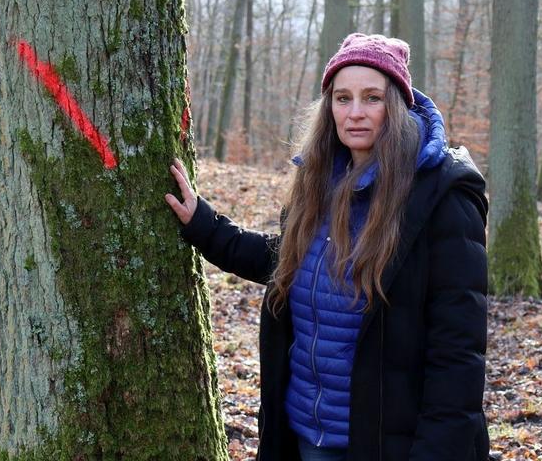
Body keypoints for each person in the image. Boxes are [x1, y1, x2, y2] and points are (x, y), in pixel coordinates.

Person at [166, 33, 490, 461]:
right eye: (342, 98)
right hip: (306, 437)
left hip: (385, 446)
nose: (355, 113)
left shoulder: (440, 200)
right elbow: (287, 262)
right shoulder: (320, 184)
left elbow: (458, 360)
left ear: (397, 105)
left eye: (372, 98)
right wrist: (204, 226)